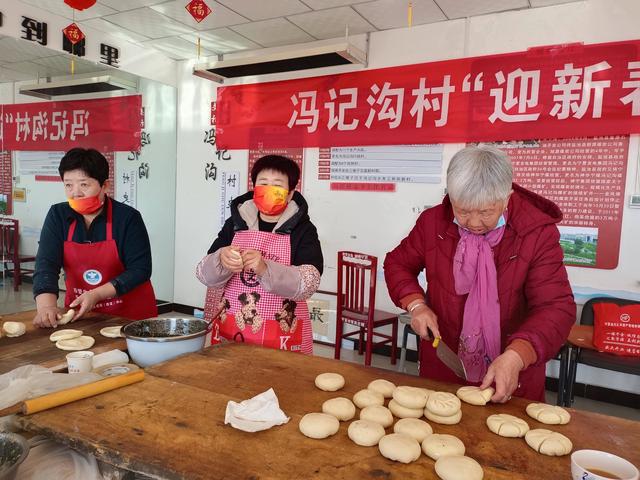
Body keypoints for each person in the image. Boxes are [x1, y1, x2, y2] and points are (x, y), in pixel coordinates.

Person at [384, 145, 575, 402]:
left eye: (485, 212)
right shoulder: (434, 223)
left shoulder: (536, 233)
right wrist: (416, 305)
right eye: (462, 211)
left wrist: (518, 355)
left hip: (510, 376)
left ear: (507, 197)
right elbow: (398, 264)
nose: (474, 223)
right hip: (444, 369)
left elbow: (555, 307)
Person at [196, 155, 323, 354]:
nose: (269, 189)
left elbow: (309, 282)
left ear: (290, 194)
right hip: (230, 328)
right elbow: (203, 274)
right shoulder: (235, 223)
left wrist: (265, 269)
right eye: (263, 183)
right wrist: (221, 259)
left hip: (281, 334)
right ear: (254, 187)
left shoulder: (303, 229)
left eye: (277, 185)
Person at [33, 148, 157, 328]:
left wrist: (97, 294)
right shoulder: (58, 215)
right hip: (80, 314)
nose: (75, 193)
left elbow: (140, 269)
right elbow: (46, 264)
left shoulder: (127, 218)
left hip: (130, 316)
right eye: (68, 185)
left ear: (105, 185)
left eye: (84, 184)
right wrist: (46, 307)